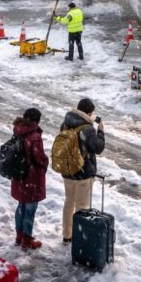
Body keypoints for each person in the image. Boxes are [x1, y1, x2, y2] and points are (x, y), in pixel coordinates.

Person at [59, 98, 106, 243]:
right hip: (82, 173)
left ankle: (67, 235)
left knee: (69, 202)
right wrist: (100, 131)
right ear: (88, 113)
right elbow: (98, 147)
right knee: (81, 207)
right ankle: (78, 239)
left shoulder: (66, 122)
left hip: (67, 170)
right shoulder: (87, 129)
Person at [11, 107, 49, 250]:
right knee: (30, 209)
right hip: (32, 178)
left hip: (19, 176)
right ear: (37, 121)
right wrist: (46, 162)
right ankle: (26, 239)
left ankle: (19, 235)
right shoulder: (35, 137)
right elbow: (39, 158)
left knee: (21, 206)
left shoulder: (18, 130)